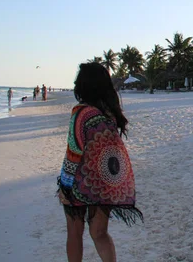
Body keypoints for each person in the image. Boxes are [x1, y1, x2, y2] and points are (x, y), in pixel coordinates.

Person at [58, 62, 143, 262]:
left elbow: (74, 150)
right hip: (104, 183)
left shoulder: (81, 113)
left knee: (74, 234)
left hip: (79, 182)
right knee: (99, 233)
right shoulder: (110, 115)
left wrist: (66, 185)